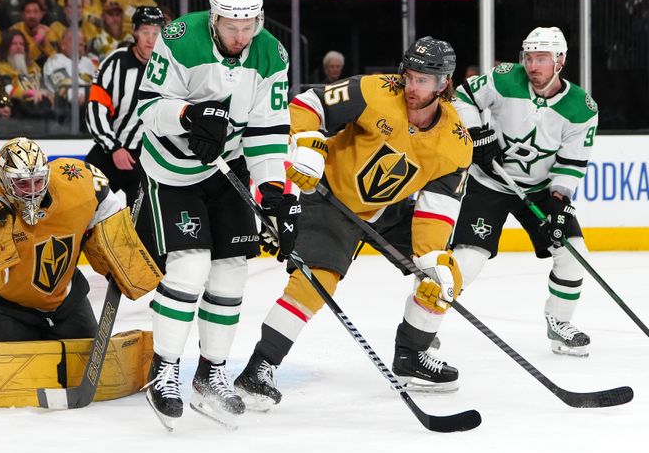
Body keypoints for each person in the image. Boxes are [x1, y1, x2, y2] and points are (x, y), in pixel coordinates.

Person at [234, 36, 471, 409]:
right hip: (327, 196)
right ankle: (259, 367)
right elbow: (308, 104)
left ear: (444, 83)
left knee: (443, 277)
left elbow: (435, 210)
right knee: (316, 281)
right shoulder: (375, 90)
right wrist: (310, 145)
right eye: (409, 76)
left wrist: (431, 260)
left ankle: (411, 356)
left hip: (381, 212)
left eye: (423, 80)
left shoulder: (455, 143)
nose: (412, 86)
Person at [137, 0, 296, 430]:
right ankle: (164, 368)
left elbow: (267, 131)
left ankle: (212, 373)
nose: (241, 36)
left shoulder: (271, 54)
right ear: (214, 17)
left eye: (249, 26)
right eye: (232, 26)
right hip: (170, 171)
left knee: (231, 268)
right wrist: (189, 116)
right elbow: (149, 107)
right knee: (190, 264)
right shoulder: (180, 38)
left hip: (226, 170)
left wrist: (271, 193)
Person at [449, 27, 599, 357]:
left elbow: (572, 163)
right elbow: (462, 97)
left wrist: (560, 200)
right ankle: (425, 326)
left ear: (560, 61)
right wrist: (476, 134)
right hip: (490, 181)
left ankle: (559, 324)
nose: (533, 65)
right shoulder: (505, 78)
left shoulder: (582, 109)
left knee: (574, 254)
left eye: (542, 58)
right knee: (469, 260)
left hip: (541, 190)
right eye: (529, 57)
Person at [0, 137, 125, 341]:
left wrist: (116, 246)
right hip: (4, 309)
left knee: (95, 366)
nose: (32, 191)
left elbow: (106, 204)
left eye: (38, 181)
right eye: (22, 183)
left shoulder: (75, 185)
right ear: (3, 179)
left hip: (65, 302)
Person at [85, 5, 164, 211]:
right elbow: (96, 108)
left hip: (146, 158)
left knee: (143, 222)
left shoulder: (167, 66)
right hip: (108, 151)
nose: (151, 39)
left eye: (156, 33)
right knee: (83, 203)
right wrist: (114, 148)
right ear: (135, 32)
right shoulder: (115, 62)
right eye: (145, 32)